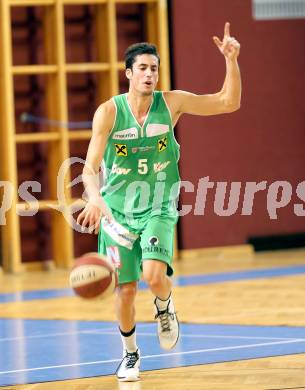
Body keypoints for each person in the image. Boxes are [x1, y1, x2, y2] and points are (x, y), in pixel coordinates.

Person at [77, 22, 241, 382]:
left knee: (153, 276)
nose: (150, 74)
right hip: (117, 212)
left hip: (157, 205)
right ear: (129, 74)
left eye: (154, 68)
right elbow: (89, 169)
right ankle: (131, 353)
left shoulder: (172, 103)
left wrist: (231, 60)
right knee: (125, 291)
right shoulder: (108, 112)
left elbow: (228, 102)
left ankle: (165, 307)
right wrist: (93, 198)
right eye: (143, 69)